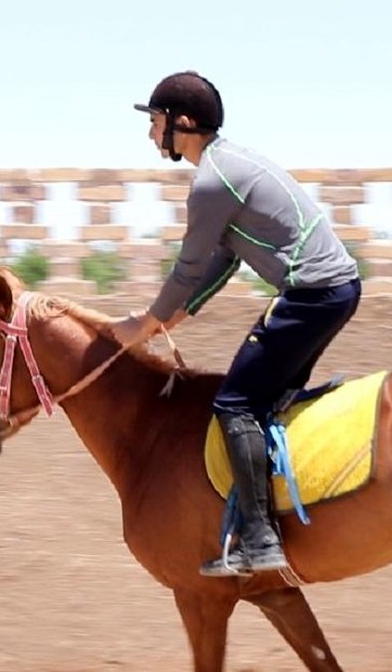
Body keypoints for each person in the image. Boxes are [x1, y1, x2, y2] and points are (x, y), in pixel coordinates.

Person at [109, 70, 363, 576]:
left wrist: (147, 322)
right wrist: (174, 318)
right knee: (263, 400)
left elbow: (187, 268)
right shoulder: (228, 166)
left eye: (155, 120)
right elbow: (223, 261)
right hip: (333, 290)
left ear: (181, 123)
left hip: (310, 293)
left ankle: (261, 540)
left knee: (234, 402)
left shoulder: (210, 183)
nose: (150, 132)